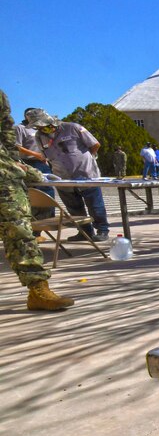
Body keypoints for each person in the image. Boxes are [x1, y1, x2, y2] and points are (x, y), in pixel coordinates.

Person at [0, 91, 75, 310]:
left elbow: (5, 132)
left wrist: (13, 163)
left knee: (20, 230)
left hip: (4, 176)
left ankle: (38, 290)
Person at [27, 109, 111, 242]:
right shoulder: (39, 136)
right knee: (74, 207)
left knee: (95, 205)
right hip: (62, 177)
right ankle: (85, 232)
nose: (40, 128)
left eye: (41, 125)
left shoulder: (72, 128)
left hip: (86, 174)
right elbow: (45, 155)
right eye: (37, 126)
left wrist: (87, 159)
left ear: (50, 121)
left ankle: (102, 230)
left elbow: (95, 144)